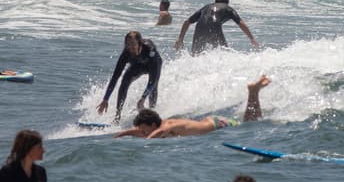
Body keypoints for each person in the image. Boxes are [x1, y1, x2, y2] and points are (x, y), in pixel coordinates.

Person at [114, 76, 269, 139]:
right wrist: (120, 135)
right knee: (248, 122)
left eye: (144, 129)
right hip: (212, 123)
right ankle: (254, 92)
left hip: (218, 125)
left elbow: (158, 132)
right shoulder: (159, 125)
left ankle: (253, 93)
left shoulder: (167, 125)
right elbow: (140, 131)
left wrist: (146, 142)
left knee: (250, 124)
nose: (143, 132)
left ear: (152, 125)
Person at [97, 31, 163, 120]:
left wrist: (143, 98)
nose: (130, 47)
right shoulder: (125, 54)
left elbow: (153, 80)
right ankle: (117, 116)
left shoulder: (149, 49)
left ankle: (152, 114)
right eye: (127, 44)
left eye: (132, 44)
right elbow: (115, 77)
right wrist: (105, 99)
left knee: (153, 85)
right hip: (137, 66)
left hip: (153, 64)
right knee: (124, 81)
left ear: (139, 43)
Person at [175, 0, 260, 55]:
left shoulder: (207, 7)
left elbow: (187, 22)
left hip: (199, 27)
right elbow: (241, 23)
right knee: (224, 53)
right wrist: (251, 38)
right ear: (227, 0)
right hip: (214, 27)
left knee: (195, 54)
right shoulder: (228, 8)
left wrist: (180, 38)